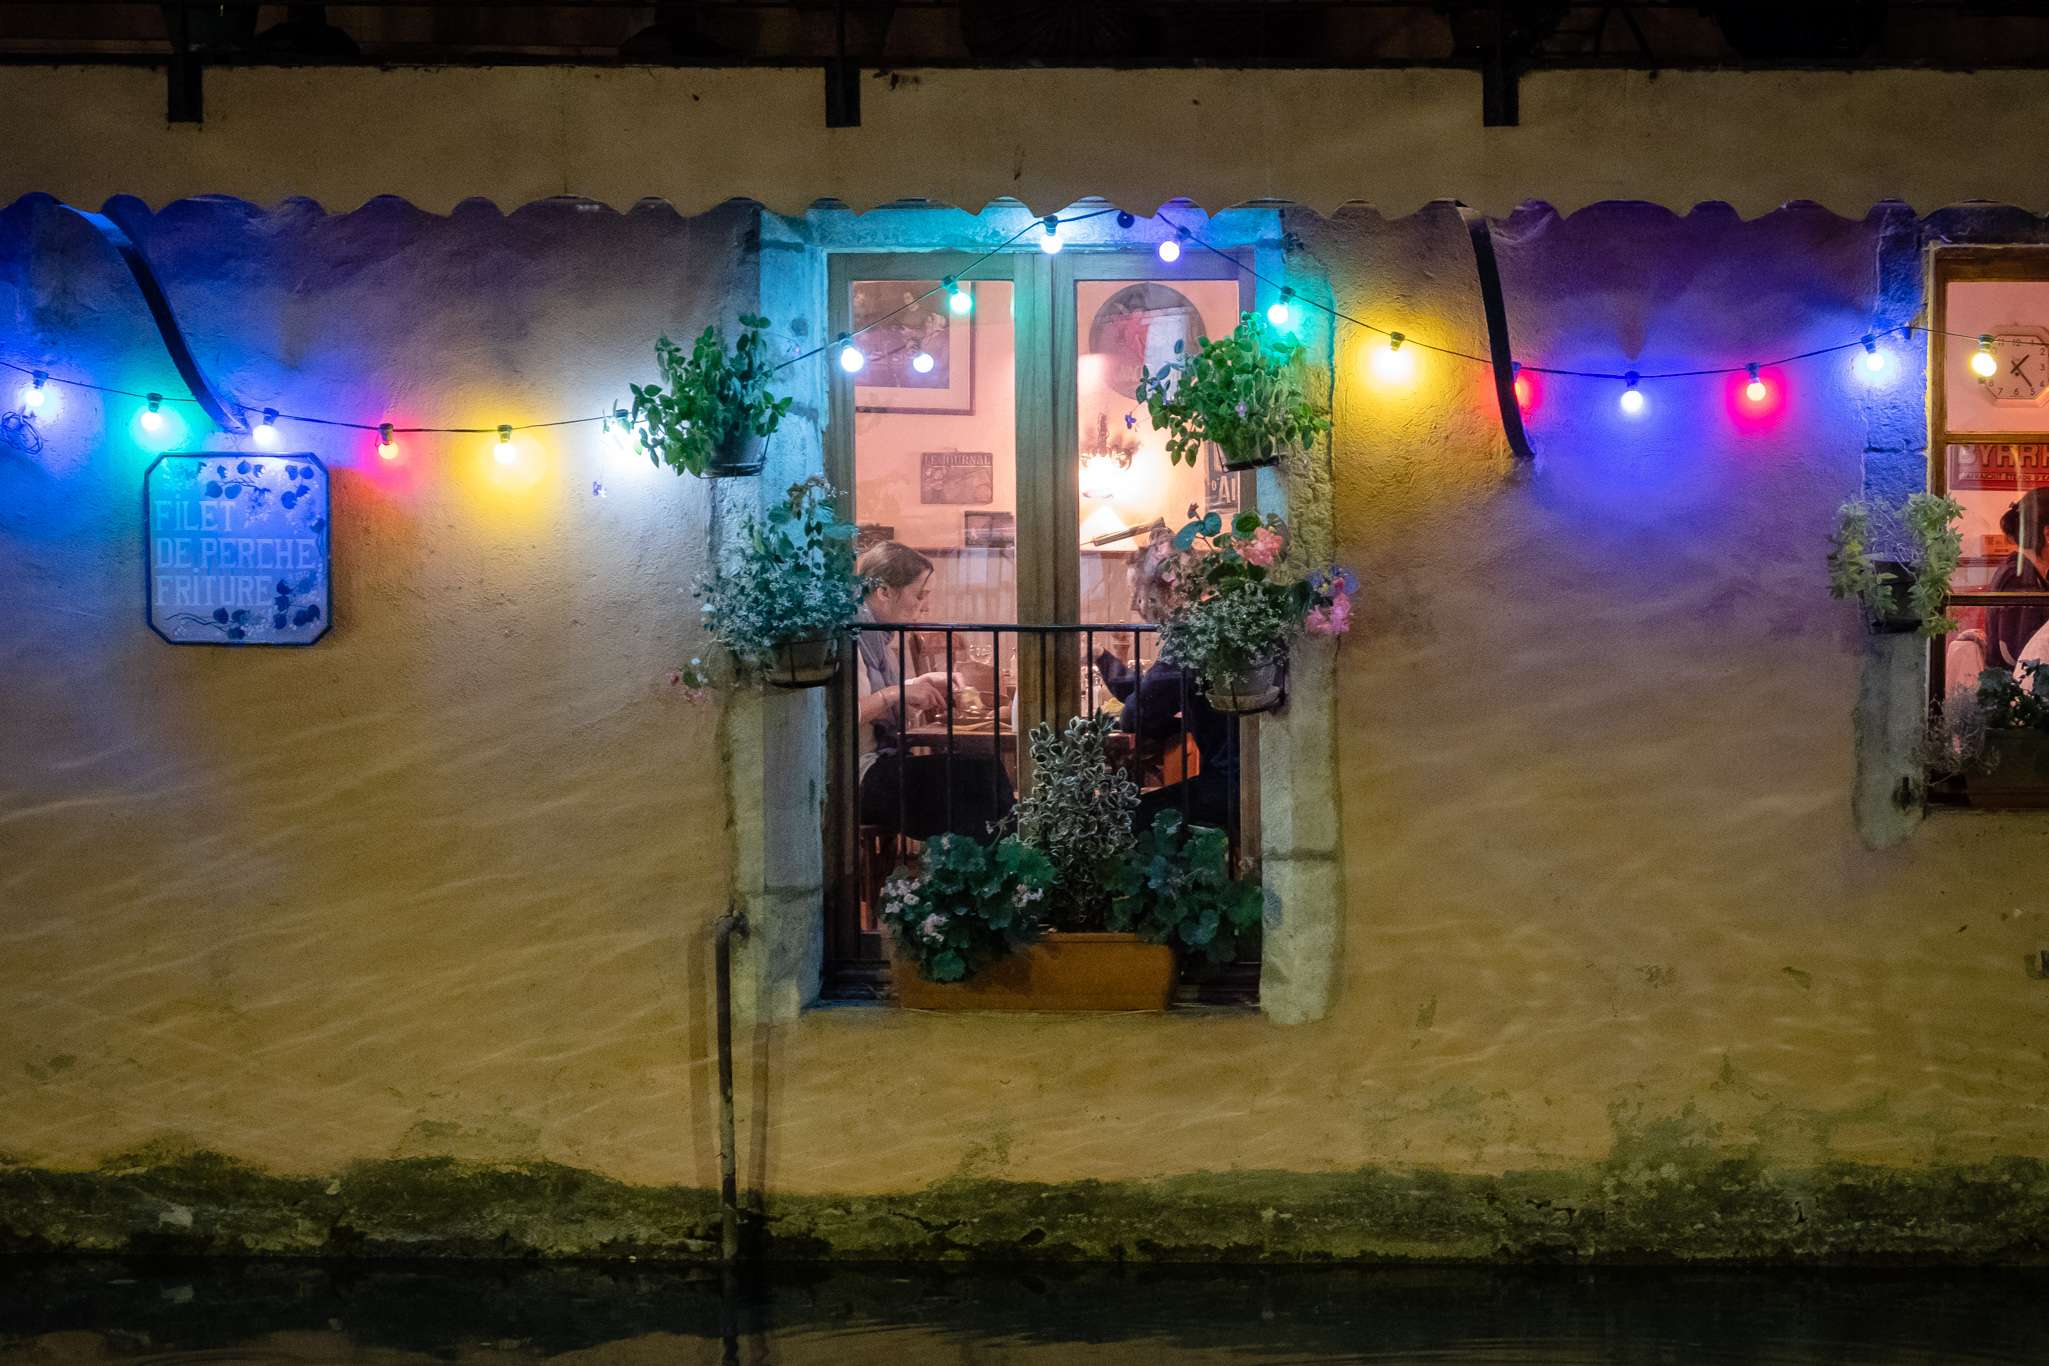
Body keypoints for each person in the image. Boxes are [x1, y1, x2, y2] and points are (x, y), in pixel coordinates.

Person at [853, 541, 1014, 840]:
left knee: (985, 773)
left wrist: (920, 682)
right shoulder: (852, 639)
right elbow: (845, 713)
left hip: (884, 765)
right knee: (977, 783)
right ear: (884, 591)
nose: (924, 605)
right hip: (857, 781)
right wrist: (898, 692)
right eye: (919, 595)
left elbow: (886, 697)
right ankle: (991, 872)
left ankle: (994, 869)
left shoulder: (878, 638)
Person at [1093, 535, 1239, 832]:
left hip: (1231, 785)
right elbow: (1150, 698)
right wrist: (1101, 656)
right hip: (1243, 777)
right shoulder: (1214, 617)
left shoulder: (1191, 633)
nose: (1138, 606)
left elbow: (1136, 716)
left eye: (1139, 592)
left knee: (1119, 819)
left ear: (1168, 585)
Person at [1987, 486, 2049, 670]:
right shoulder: (2020, 578)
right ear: (2047, 534)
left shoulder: (2024, 571)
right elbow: (2021, 654)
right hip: (2019, 694)